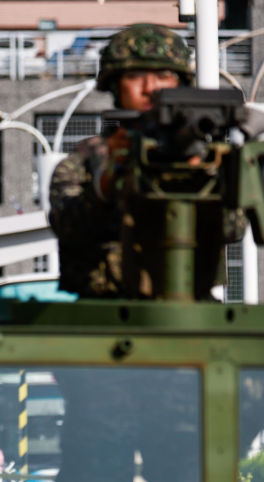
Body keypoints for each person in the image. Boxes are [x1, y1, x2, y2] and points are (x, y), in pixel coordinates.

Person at [49, 23, 239, 300]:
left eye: (163, 76)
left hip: (190, 306)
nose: (150, 88)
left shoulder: (207, 157)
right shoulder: (85, 161)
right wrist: (105, 182)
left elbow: (233, 228)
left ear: (180, 83)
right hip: (104, 310)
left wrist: (204, 177)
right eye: (135, 76)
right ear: (115, 85)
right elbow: (68, 227)